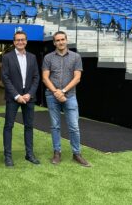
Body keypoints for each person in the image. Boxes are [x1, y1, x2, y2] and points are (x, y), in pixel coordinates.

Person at [42, 31, 91, 167]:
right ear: (54, 43)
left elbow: (77, 78)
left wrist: (62, 91)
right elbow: (45, 77)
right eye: (57, 40)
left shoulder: (76, 57)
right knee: (55, 126)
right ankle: (57, 152)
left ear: (66, 40)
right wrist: (56, 92)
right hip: (52, 96)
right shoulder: (48, 57)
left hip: (69, 96)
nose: (60, 42)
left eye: (62, 39)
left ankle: (77, 153)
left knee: (74, 126)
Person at [1, 30, 40, 167]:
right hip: (13, 98)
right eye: (17, 40)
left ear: (26, 41)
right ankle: (8, 156)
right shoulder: (7, 57)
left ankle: (29, 154)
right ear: (14, 42)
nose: (20, 42)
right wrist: (17, 95)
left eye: (22, 39)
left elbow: (36, 77)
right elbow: (5, 77)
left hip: (29, 97)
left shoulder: (32, 57)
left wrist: (29, 94)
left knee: (29, 126)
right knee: (8, 126)